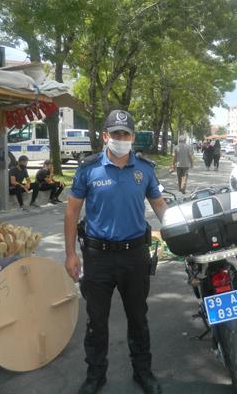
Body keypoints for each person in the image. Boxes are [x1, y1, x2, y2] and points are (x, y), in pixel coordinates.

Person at [64, 110, 168, 394]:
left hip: (135, 254)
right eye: (115, 134)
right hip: (97, 256)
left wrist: (174, 229)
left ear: (132, 137)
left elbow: (159, 205)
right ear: (105, 135)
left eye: (125, 134)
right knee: (96, 320)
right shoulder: (88, 168)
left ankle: (143, 372)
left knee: (138, 317)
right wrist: (70, 253)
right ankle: (96, 374)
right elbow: (72, 210)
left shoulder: (145, 169)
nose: (120, 139)